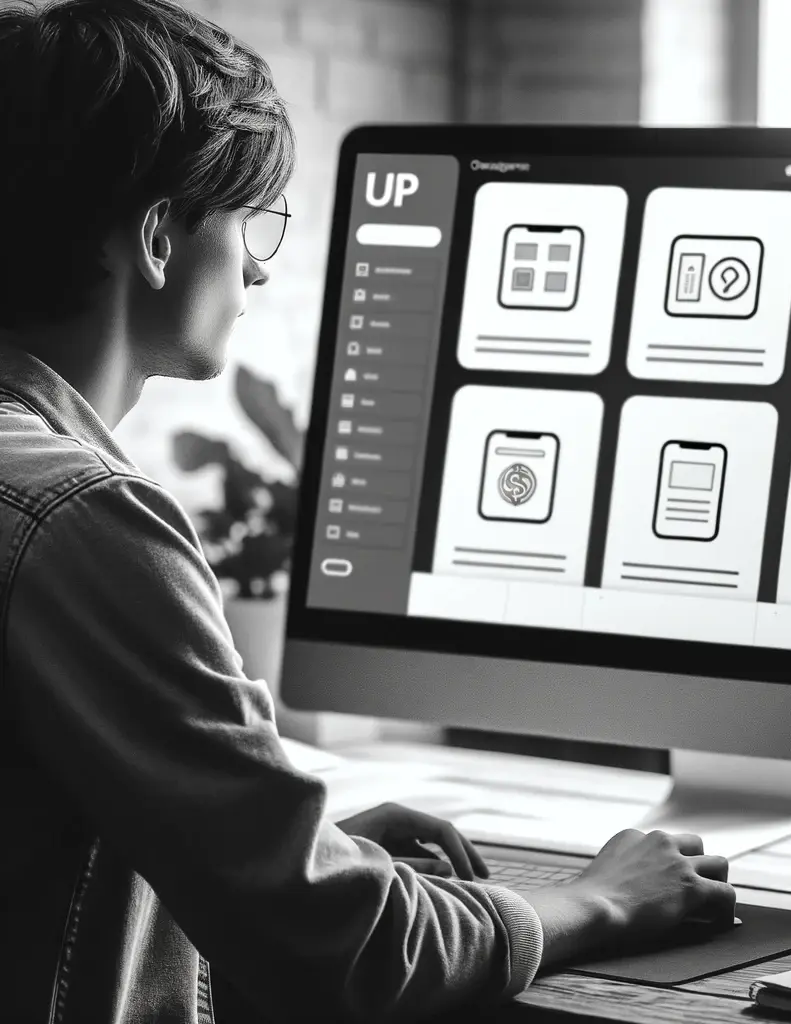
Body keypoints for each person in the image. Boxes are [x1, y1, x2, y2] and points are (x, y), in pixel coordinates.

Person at [0, 1, 737, 1021]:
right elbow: (345, 952)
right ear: (162, 235)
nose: (260, 266)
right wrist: (594, 900)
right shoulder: (87, 521)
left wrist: (300, 846)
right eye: (249, 219)